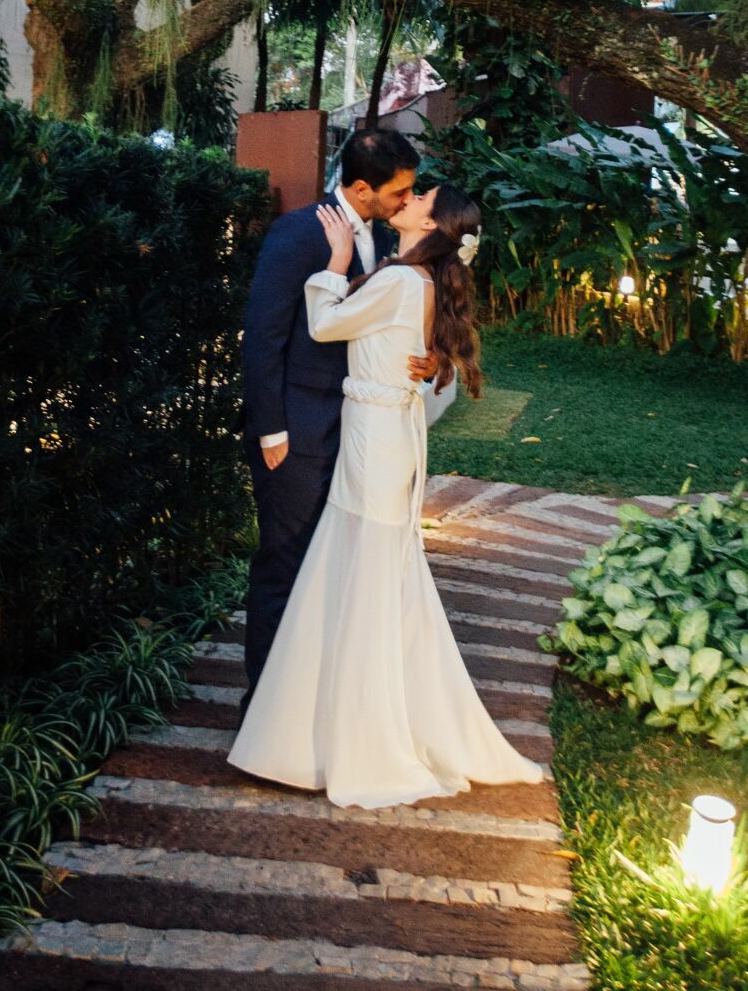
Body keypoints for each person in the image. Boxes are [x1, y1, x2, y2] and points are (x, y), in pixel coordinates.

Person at [228, 183, 546, 808]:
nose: (409, 195)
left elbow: (323, 325)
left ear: (432, 220)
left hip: (376, 440)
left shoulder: (400, 279)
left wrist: (338, 261)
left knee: (365, 571)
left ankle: (360, 731)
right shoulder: (409, 276)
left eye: (420, 195)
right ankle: (330, 717)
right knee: (363, 568)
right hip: (378, 433)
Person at [239, 128, 433, 724]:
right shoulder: (299, 234)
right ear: (358, 187)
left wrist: (424, 360)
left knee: (329, 565)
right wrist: (271, 430)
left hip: (355, 431)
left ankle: (312, 699)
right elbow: (264, 335)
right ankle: (263, 710)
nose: (407, 200)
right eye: (398, 191)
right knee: (285, 561)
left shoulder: (383, 239)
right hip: (296, 433)